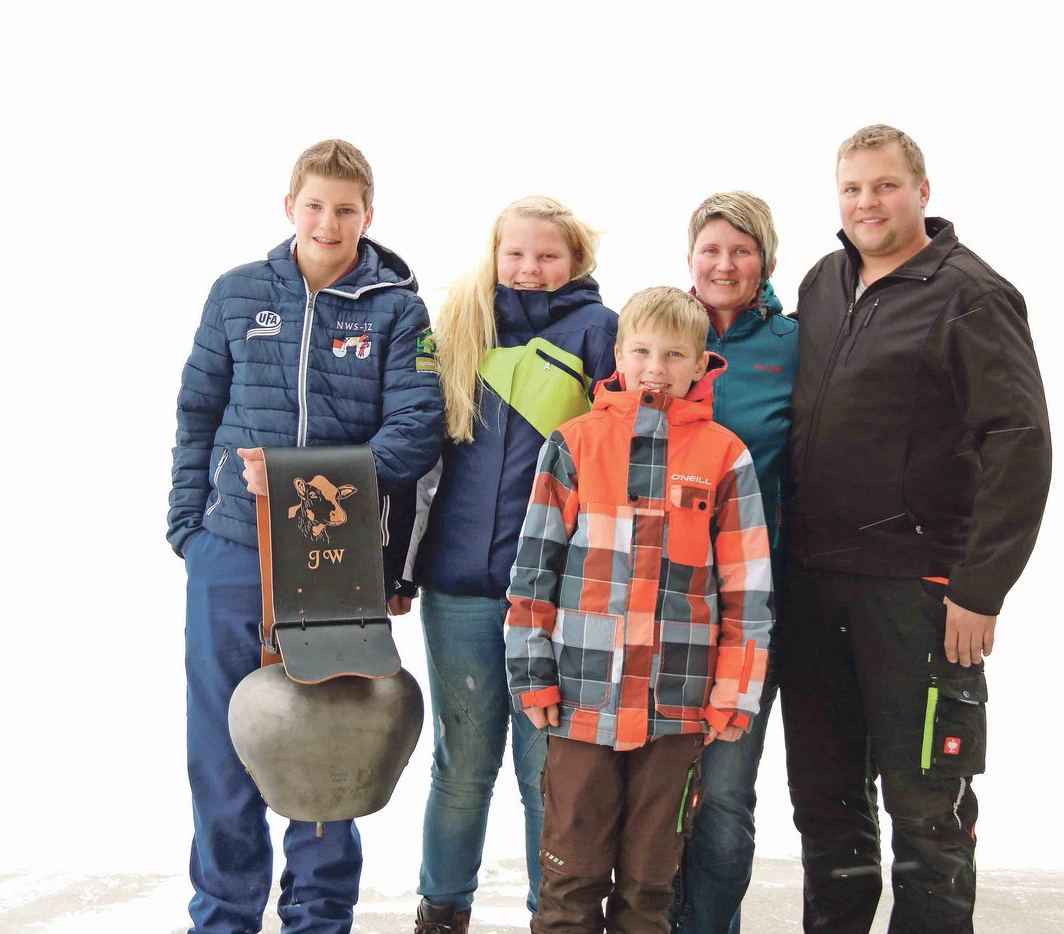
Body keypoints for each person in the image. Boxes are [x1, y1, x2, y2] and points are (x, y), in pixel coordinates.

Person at [167, 138, 444, 934]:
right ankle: (223, 917)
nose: (329, 221)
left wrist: (298, 478)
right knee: (222, 750)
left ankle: (320, 919)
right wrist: (189, 527)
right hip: (228, 549)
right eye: (315, 205)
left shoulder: (396, 308)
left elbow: (416, 430)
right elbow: (196, 415)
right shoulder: (235, 293)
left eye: (346, 208)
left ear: (368, 215)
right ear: (290, 206)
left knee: (329, 742)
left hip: (332, 557)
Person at [780, 125, 1052, 933]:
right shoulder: (824, 282)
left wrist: (979, 587)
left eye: (885, 185)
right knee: (826, 807)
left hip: (917, 590)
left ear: (922, 193)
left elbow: (1020, 443)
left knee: (926, 810)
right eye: (853, 188)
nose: (867, 202)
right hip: (813, 583)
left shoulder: (971, 293)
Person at [505, 286, 774, 934]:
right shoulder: (573, 444)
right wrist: (532, 672)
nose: (656, 366)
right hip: (581, 701)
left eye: (674, 353)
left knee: (652, 887)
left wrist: (733, 694)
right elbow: (534, 574)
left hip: (675, 710)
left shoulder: (724, 456)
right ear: (620, 354)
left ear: (700, 362)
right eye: (643, 350)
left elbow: (747, 591)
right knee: (569, 880)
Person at [403, 196, 618, 934]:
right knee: (461, 768)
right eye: (516, 254)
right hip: (456, 587)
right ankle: (442, 909)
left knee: (544, 775)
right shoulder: (462, 329)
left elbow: (614, 463)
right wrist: (401, 568)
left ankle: (551, 916)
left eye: (547, 256)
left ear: (576, 262)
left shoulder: (600, 333)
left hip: (551, 597)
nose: (529, 269)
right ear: (495, 256)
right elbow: (423, 463)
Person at [669, 192, 797, 934]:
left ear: (766, 262)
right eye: (711, 249)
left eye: (741, 250)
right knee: (656, 790)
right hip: (657, 603)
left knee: (722, 790)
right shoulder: (656, 333)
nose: (724, 264)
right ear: (691, 258)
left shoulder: (795, 345)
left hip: (753, 606)